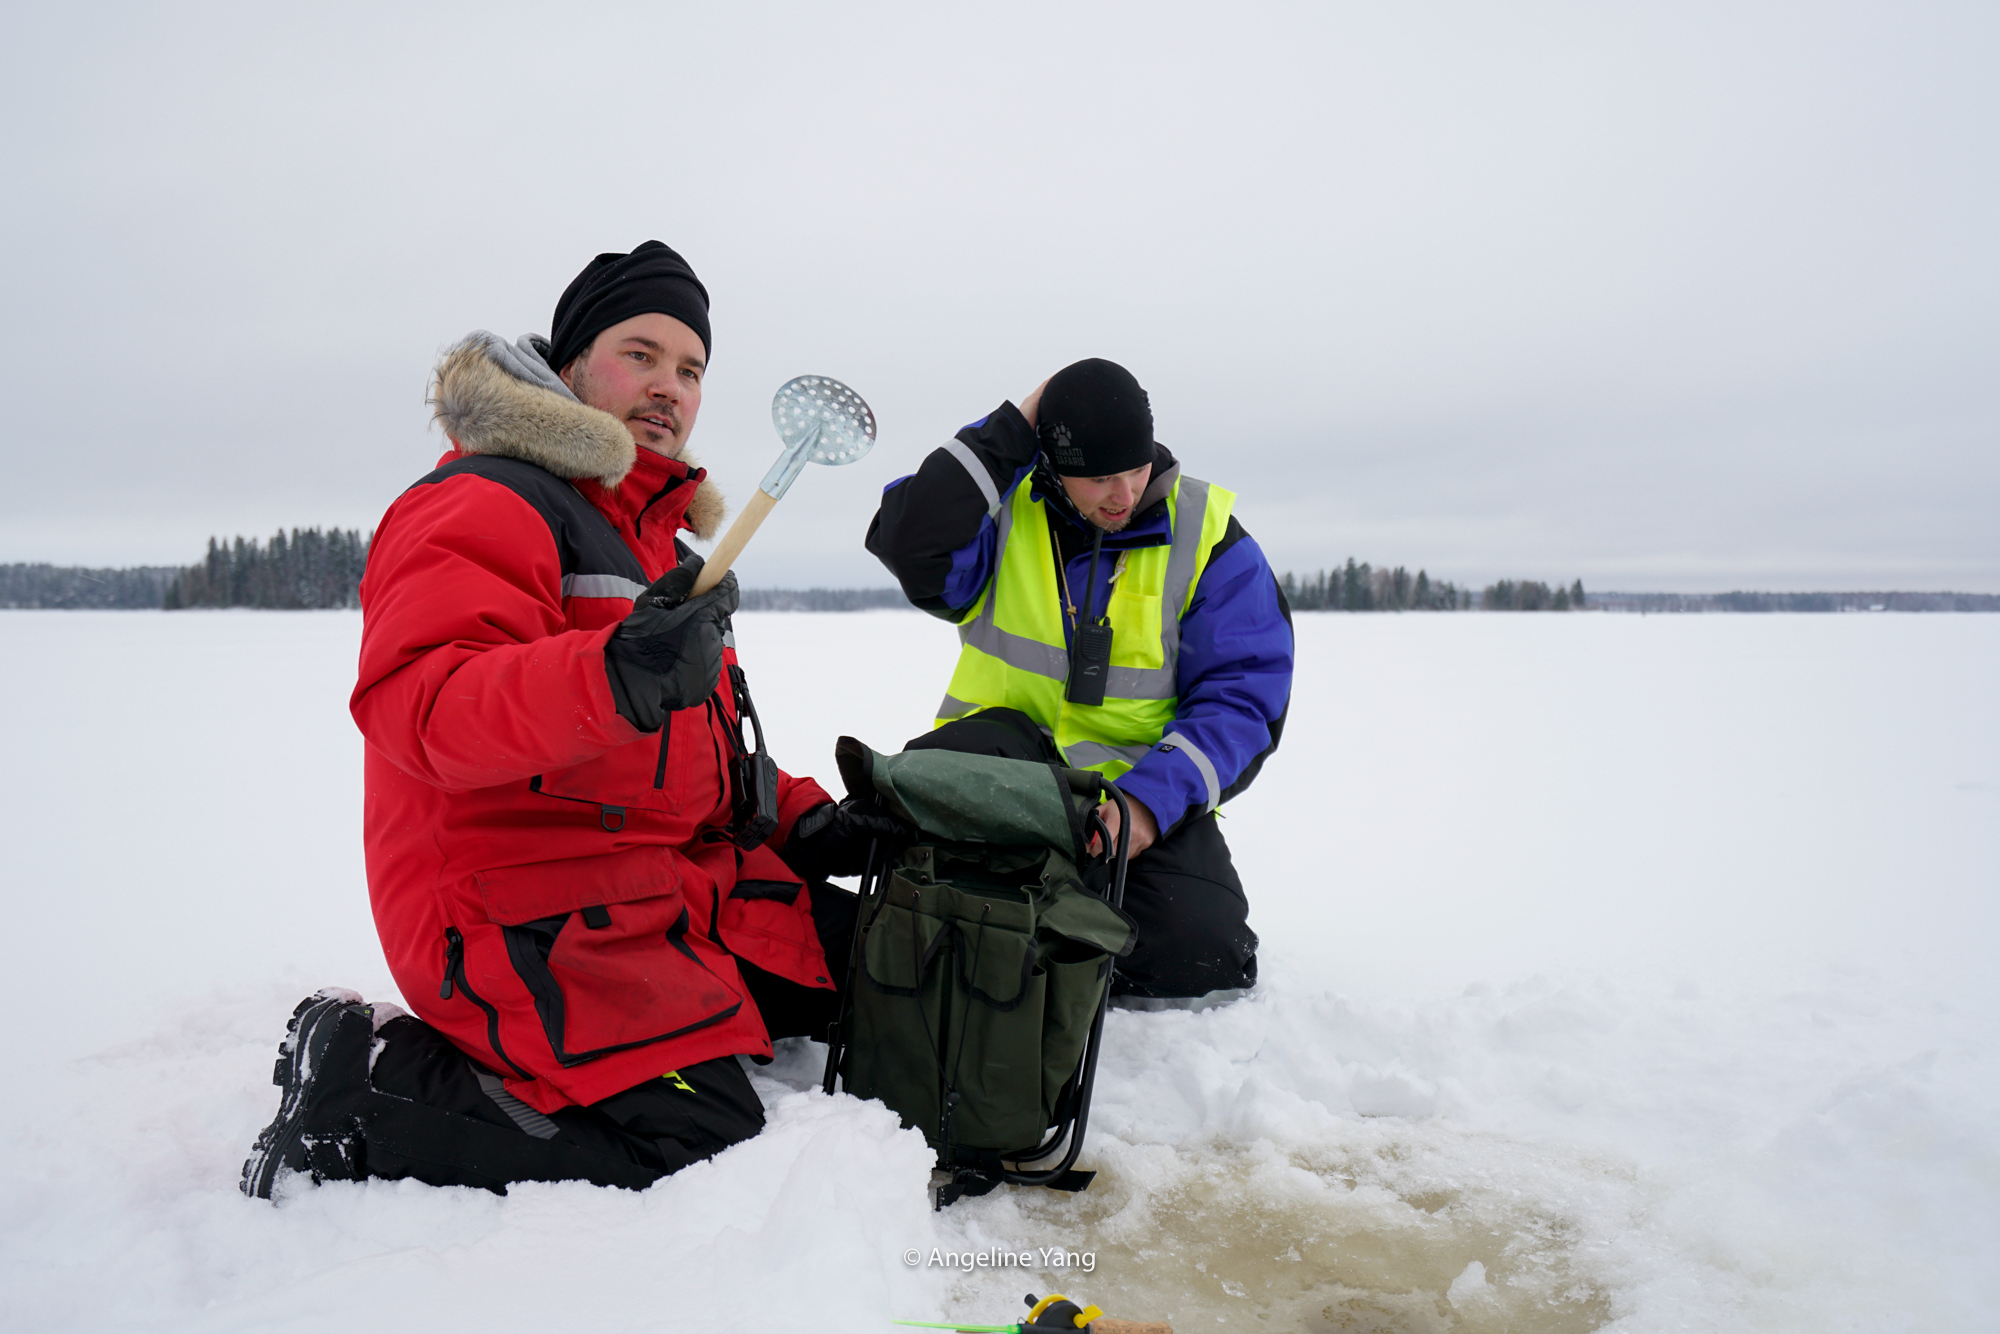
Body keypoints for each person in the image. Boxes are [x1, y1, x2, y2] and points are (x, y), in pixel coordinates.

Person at [241, 241, 904, 1199]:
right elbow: (424, 707)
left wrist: (808, 821)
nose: (669, 386)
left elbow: (693, 759)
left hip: (652, 886)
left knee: (877, 980)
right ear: (569, 365)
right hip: (509, 908)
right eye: (641, 354)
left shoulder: (652, 538)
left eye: (690, 369)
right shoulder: (483, 499)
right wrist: (611, 674)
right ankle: (364, 1090)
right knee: (698, 1133)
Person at [865, 358, 1293, 1000]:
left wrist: (1147, 805)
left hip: (1130, 794)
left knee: (1200, 955)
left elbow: (1241, 700)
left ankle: (1037, 936)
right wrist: (1012, 427)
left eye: (1137, 467)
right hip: (996, 776)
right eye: (1098, 477)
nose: (1123, 494)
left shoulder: (1211, 538)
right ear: (1053, 461)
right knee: (917, 914)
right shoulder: (1000, 515)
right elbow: (912, 541)